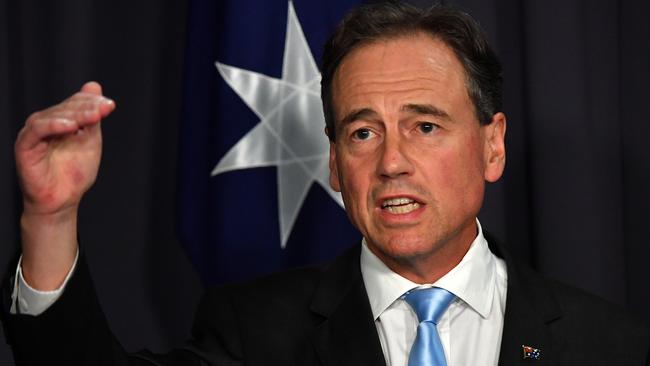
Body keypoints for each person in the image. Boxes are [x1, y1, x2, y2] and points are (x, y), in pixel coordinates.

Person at [2, 2, 649, 365]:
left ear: (492, 144)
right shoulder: (253, 333)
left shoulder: (610, 344)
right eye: (363, 133)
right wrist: (50, 220)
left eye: (425, 126)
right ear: (336, 164)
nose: (392, 160)